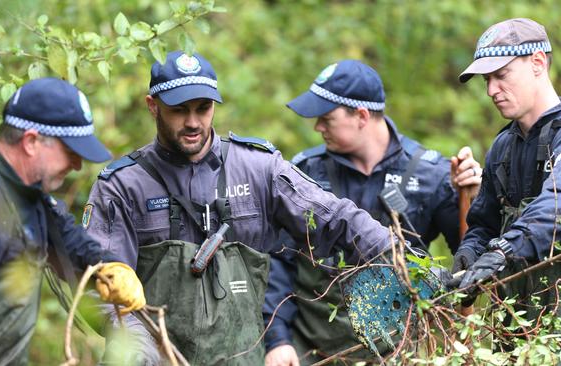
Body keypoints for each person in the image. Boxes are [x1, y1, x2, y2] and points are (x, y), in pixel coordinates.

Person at [84, 51, 398, 365]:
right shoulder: (122, 187)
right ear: (153, 106)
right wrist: (139, 352)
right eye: (179, 110)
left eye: (203, 109)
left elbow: (337, 219)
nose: (193, 122)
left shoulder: (259, 169)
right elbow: (102, 291)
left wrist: (403, 259)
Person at [262, 60, 482, 365]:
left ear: (362, 116)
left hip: (401, 351)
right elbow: (277, 261)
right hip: (311, 350)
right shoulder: (305, 172)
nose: (317, 127)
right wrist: (277, 339)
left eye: (326, 118)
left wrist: (473, 198)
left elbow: (468, 262)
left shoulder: (430, 174)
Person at [0, 77, 146, 365]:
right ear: (32, 142)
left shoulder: (25, 192)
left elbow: (69, 240)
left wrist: (110, 266)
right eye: (71, 153)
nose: (76, 165)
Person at [451, 18, 561, 331]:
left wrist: (503, 251)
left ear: (538, 63)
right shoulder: (503, 146)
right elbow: (484, 224)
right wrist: (468, 257)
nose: (490, 90)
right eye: (486, 79)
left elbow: (557, 204)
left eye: (501, 75)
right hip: (513, 329)